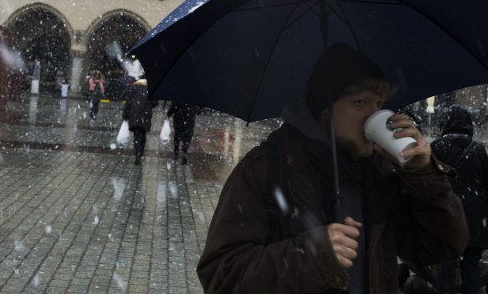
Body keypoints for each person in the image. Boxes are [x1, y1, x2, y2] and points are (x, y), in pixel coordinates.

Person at [197, 43, 469, 293]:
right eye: (360, 102)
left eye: (379, 104)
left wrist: (424, 174)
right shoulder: (265, 168)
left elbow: (442, 247)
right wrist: (310, 256)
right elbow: (222, 276)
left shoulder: (379, 171)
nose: (374, 115)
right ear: (323, 108)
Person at [431, 105, 488, 294]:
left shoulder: (437, 147)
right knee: (471, 267)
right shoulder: (478, 149)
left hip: (448, 215)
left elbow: (429, 183)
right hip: (476, 218)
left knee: (446, 267)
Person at [122, 77, 154, 165]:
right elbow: (155, 103)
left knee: (137, 135)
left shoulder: (134, 88)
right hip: (145, 115)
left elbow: (128, 102)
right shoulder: (150, 89)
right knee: (143, 135)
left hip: (135, 114)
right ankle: (141, 153)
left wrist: (125, 114)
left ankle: (137, 155)